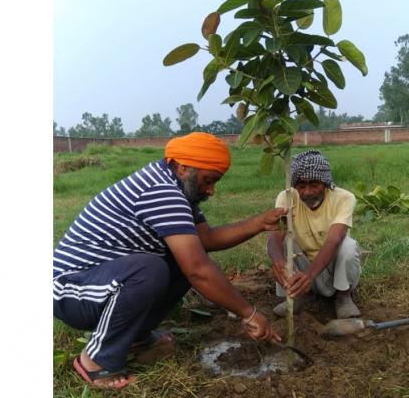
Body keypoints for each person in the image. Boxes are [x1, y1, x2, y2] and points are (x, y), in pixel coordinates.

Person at [53, 132, 283, 390]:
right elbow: (198, 271)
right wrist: (248, 313)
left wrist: (259, 223)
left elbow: (204, 239)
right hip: (71, 289)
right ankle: (95, 360)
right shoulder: (161, 191)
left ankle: (135, 337)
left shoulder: (177, 187)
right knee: (151, 269)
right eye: (208, 180)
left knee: (179, 259)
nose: (211, 190)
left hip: (106, 280)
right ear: (184, 167)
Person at [266, 150, 363, 320]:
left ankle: (343, 297)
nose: (308, 192)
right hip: (302, 268)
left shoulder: (344, 198)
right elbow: (275, 234)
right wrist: (278, 262)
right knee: (281, 243)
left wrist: (309, 275)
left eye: (314, 185)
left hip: (332, 269)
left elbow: (335, 239)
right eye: (301, 186)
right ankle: (295, 295)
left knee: (348, 245)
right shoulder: (287, 197)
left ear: (326, 183)